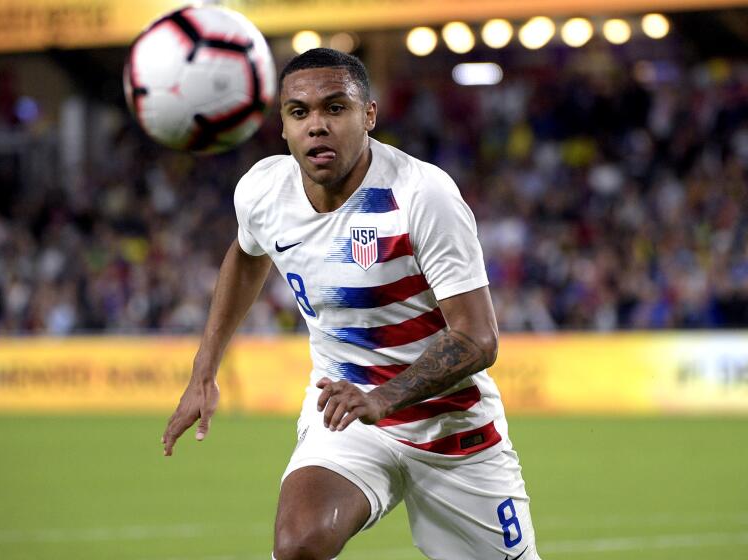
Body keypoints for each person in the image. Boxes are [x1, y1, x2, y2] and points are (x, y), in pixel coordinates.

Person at [162, 48, 540, 560]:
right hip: (344, 414)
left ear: (369, 116)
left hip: (451, 430)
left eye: (334, 108)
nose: (316, 125)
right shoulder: (263, 191)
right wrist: (204, 370)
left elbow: (477, 337)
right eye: (300, 113)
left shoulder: (422, 195)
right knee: (299, 546)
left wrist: (383, 399)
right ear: (282, 126)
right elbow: (247, 255)